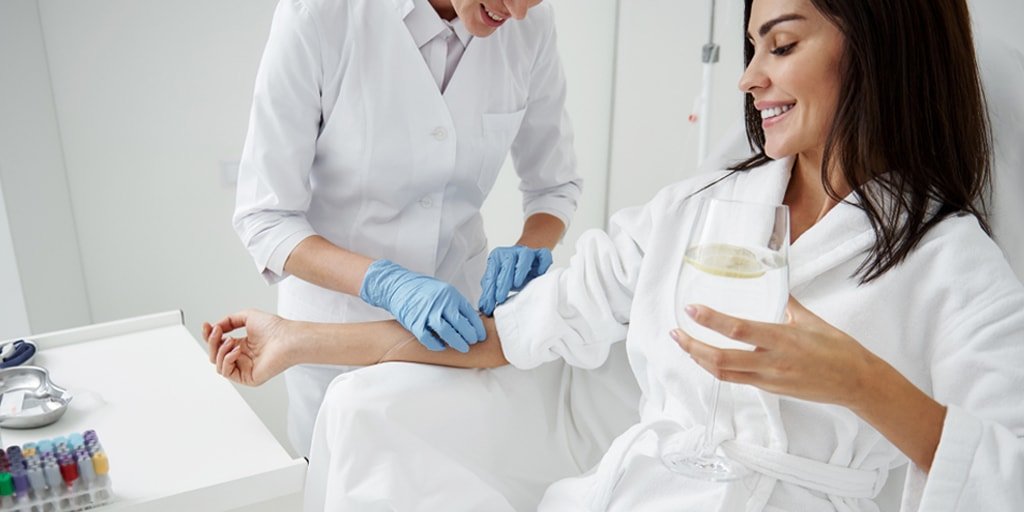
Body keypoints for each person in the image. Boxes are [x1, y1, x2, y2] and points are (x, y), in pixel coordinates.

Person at [209, 0, 1024, 509]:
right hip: (636, 491)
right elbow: (508, 330)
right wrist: (300, 340)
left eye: (779, 46)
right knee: (370, 432)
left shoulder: (955, 267)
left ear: (878, 45)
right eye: (751, 47)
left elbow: (1008, 475)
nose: (747, 78)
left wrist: (860, 382)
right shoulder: (700, 212)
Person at [232, 0, 584, 457]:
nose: (517, 12)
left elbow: (555, 185)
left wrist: (531, 246)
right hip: (333, 337)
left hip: (456, 333)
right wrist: (385, 282)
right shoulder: (319, 15)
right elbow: (265, 217)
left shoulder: (529, 25)